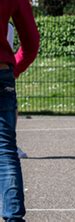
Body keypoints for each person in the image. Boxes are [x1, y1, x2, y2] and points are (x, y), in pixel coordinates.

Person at [0, 0, 40, 221]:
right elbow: (31, 41)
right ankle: (14, 217)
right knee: (5, 150)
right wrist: (14, 68)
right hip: (1, 72)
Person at [7, 23, 28, 159]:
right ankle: (10, 145)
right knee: (10, 106)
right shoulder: (9, 27)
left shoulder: (9, 27)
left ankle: (10, 144)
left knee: (11, 106)